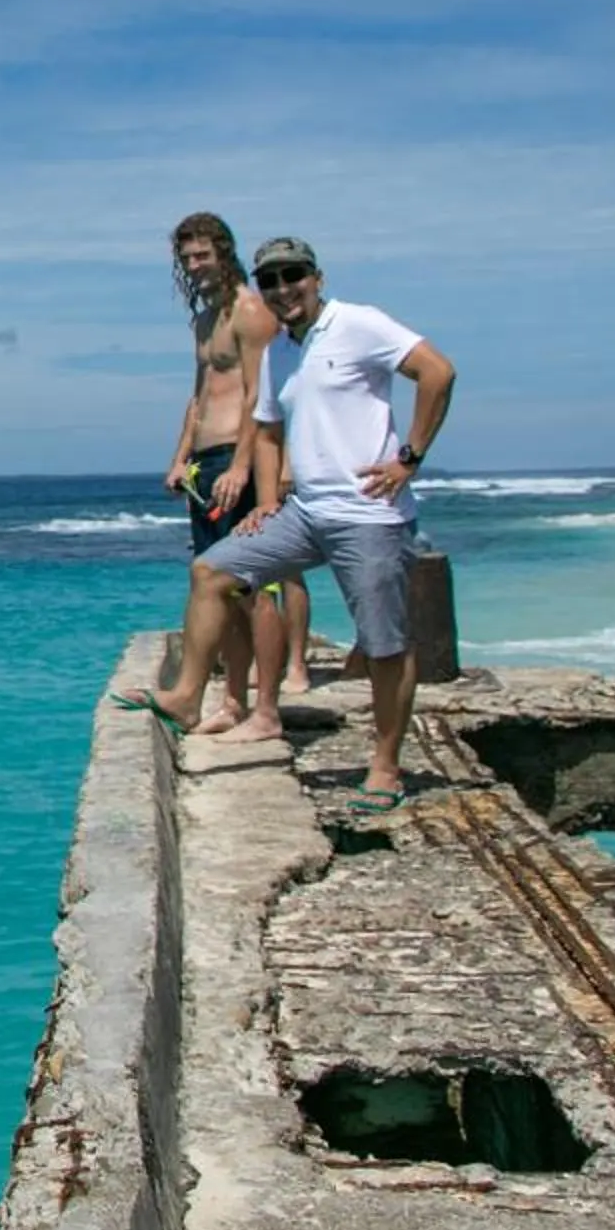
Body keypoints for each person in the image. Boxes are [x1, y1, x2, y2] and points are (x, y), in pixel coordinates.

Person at [127, 236, 455, 809]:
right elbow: (271, 428)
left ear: (317, 277)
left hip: (369, 515)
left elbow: (437, 372)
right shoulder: (281, 349)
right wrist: (269, 500)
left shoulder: (359, 324)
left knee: (383, 645)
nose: (283, 288)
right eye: (271, 280)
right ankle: (185, 698)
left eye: (293, 275)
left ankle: (384, 767)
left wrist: (409, 458)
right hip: (304, 511)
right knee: (212, 571)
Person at [160, 212, 292, 743]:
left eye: (202, 256)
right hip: (205, 462)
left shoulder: (250, 311)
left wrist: (243, 467)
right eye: (187, 258)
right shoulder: (204, 318)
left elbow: (260, 398)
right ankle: (232, 700)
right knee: (221, 588)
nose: (194, 267)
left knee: (254, 589)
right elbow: (200, 395)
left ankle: (267, 709)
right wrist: (179, 457)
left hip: (238, 462)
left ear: (224, 252)